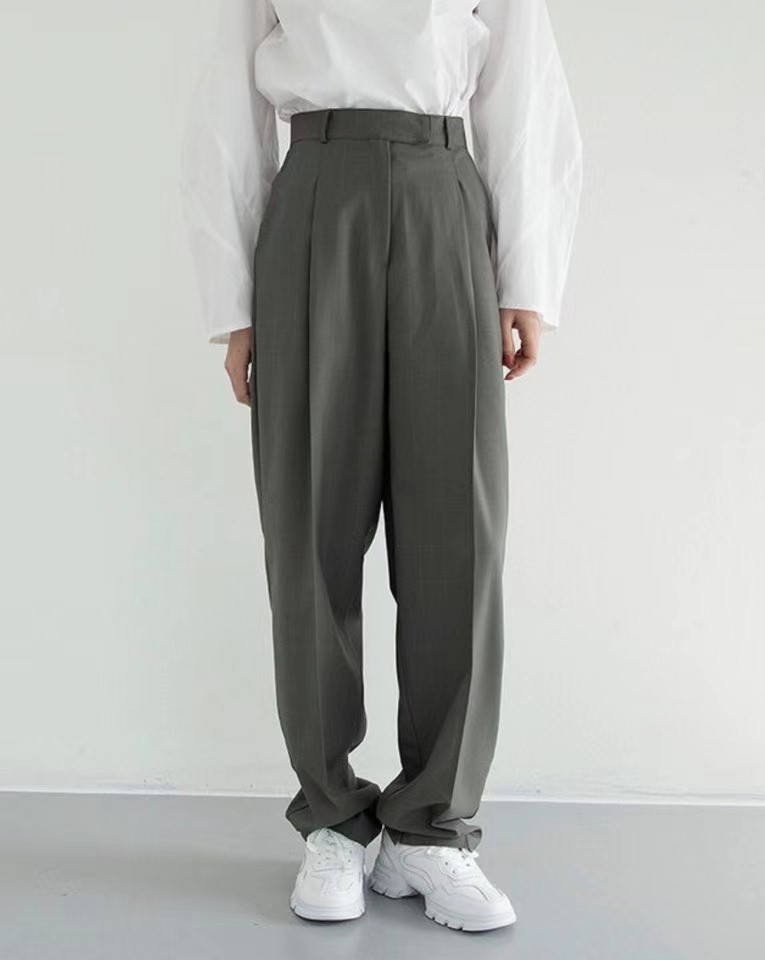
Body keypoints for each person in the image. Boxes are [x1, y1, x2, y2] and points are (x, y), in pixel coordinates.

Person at [180, 0, 583, 933]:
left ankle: (430, 828)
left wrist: (526, 281)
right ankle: (333, 818)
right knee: (309, 527)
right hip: (314, 190)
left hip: (444, 191)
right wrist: (232, 304)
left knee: (459, 533)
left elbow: (523, 94)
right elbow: (226, 112)